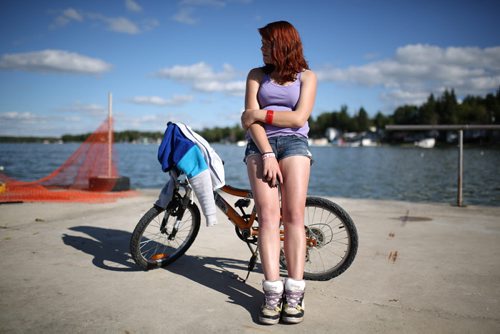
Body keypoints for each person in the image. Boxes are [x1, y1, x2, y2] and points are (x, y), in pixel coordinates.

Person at [240, 20, 317, 325]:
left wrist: (260, 112)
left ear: (282, 45)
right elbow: (249, 123)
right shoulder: (256, 75)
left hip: (296, 144)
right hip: (261, 147)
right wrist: (267, 152)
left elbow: (299, 119)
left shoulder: (307, 77)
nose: (261, 49)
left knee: (295, 217)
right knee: (269, 218)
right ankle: (272, 292)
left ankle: (295, 293)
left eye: (266, 44)